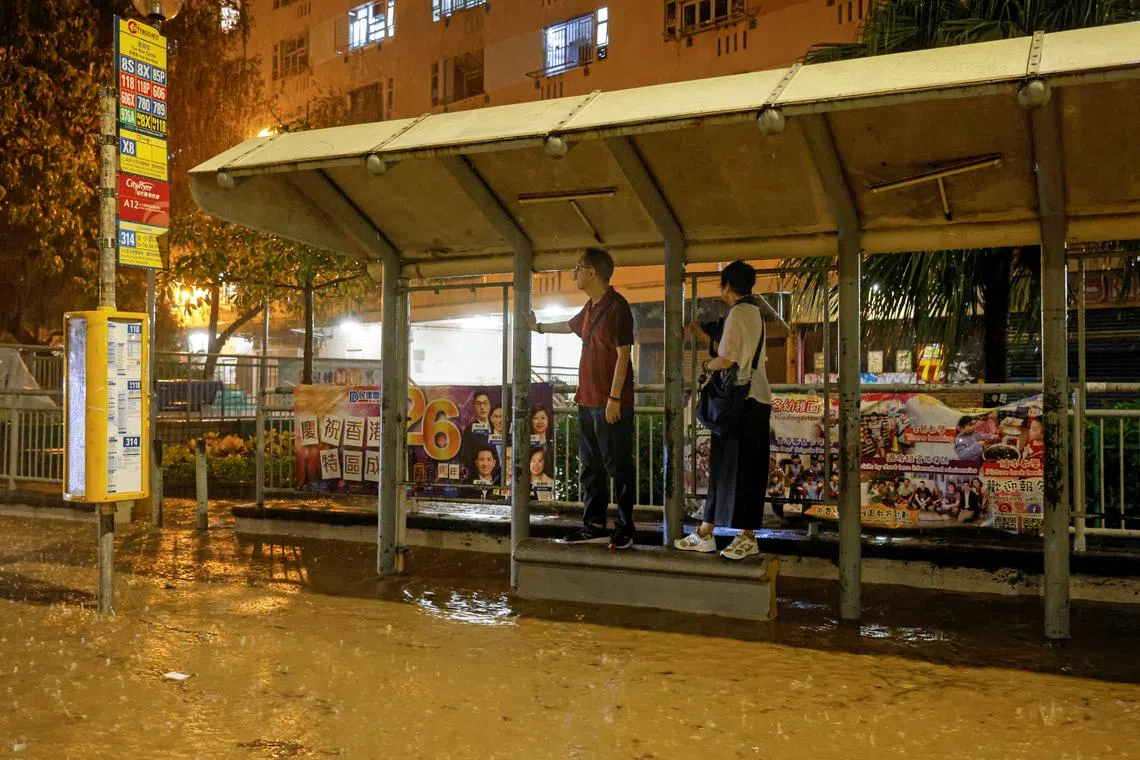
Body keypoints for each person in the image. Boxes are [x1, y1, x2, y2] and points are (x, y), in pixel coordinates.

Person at [674, 260, 784, 560]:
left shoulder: (737, 313)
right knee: (731, 468)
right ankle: (707, 531)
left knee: (735, 469)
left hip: (743, 404)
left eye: (721, 285)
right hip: (753, 401)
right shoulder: (753, 312)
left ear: (728, 286)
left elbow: (726, 359)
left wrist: (705, 365)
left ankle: (746, 537)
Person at [528, 247, 637, 549]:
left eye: (577, 267)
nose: (573, 273)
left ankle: (626, 527)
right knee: (591, 466)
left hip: (609, 402)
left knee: (618, 465)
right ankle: (595, 524)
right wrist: (536, 327)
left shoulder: (617, 307)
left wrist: (614, 398)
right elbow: (568, 326)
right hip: (587, 400)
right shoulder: (590, 307)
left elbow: (624, 354)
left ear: (592, 272)